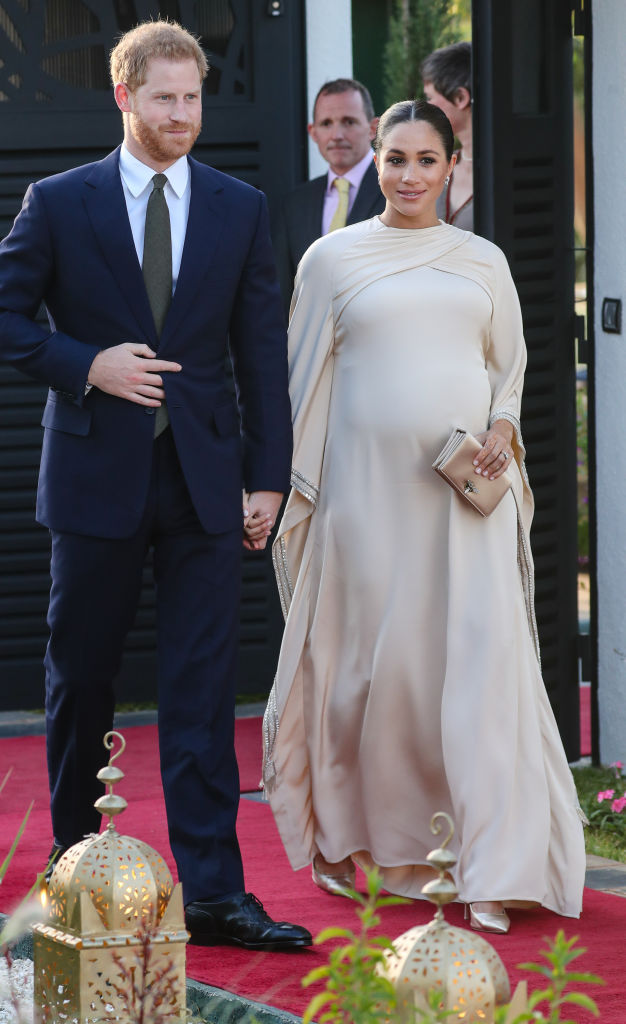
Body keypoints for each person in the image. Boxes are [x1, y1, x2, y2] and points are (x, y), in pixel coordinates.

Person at [0, 19, 311, 952]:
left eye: (193, 98)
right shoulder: (60, 200)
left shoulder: (238, 207)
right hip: (93, 479)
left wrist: (267, 480)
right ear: (125, 96)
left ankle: (213, 896)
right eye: (164, 98)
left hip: (206, 483)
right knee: (81, 681)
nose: (183, 115)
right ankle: (77, 876)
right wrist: (89, 364)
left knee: (201, 693)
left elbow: (259, 357)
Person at [262, 99, 585, 934]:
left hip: (464, 500)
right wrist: (289, 492)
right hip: (364, 506)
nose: (408, 176)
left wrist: (503, 435)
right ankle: (369, 850)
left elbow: (507, 373)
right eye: (394, 158)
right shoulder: (329, 261)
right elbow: (297, 387)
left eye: (425, 161)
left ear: (450, 167)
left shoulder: (483, 261)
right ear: (374, 160)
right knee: (377, 678)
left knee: (482, 672)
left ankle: (493, 864)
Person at [273, 78, 383, 310]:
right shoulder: (295, 205)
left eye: (348, 122)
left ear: (373, 128)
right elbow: (283, 292)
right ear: (313, 132)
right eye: (326, 124)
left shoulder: (396, 191)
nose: (337, 135)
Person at [421, 41, 473, 229]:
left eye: (430, 98)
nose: (426, 107)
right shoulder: (439, 168)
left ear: (460, 98)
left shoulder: (504, 173)